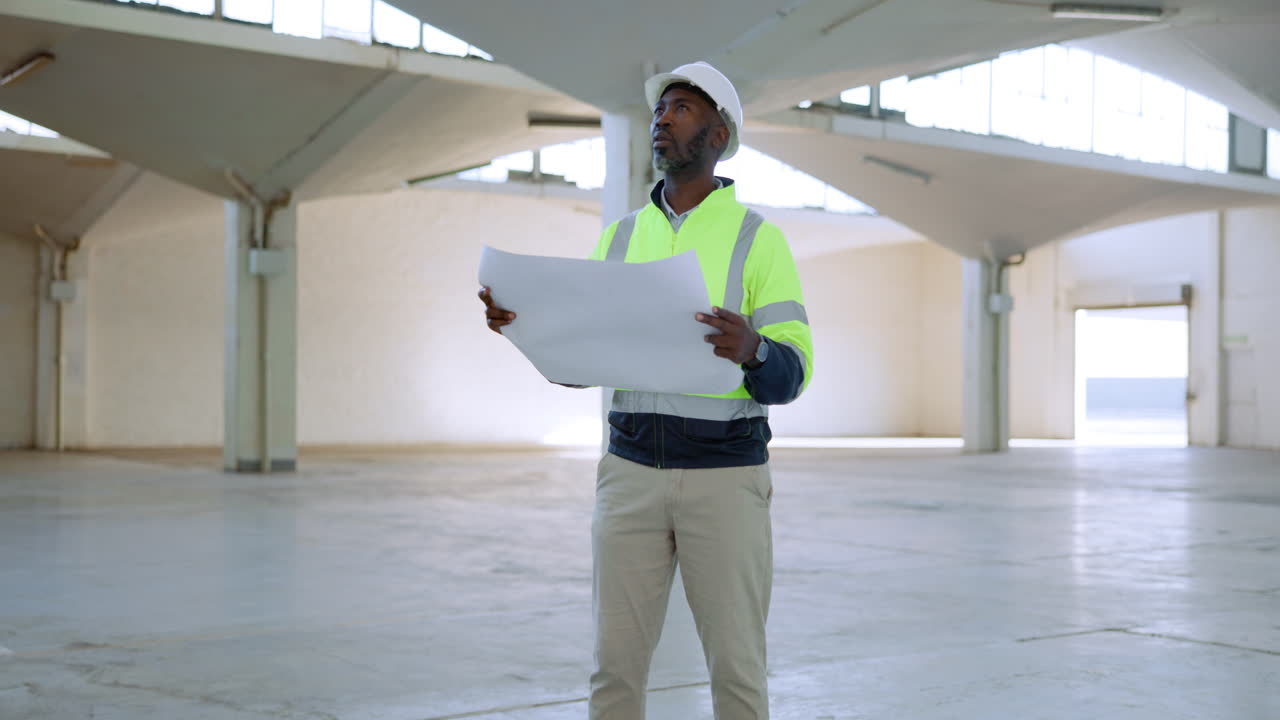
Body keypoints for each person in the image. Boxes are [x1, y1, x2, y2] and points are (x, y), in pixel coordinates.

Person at [479, 61, 813, 720]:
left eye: (681, 108)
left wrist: (755, 349)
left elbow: (792, 372)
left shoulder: (759, 240)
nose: (662, 120)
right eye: (661, 111)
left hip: (724, 481)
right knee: (615, 669)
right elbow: (583, 362)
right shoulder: (623, 236)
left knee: (737, 668)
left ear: (718, 134)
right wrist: (527, 328)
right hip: (629, 474)